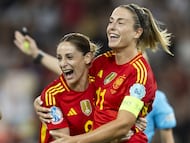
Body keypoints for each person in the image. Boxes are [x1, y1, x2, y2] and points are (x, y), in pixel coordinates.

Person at [14, 3, 173, 142]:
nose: (111, 27)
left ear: (137, 32)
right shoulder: (105, 61)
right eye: (111, 21)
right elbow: (75, 71)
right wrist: (37, 56)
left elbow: (123, 125)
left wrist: (75, 141)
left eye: (120, 22)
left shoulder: (139, 72)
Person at [15, 32, 97, 142]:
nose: (62, 64)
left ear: (87, 58)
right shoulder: (52, 95)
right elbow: (63, 141)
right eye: (59, 58)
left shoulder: (98, 82)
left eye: (69, 57)